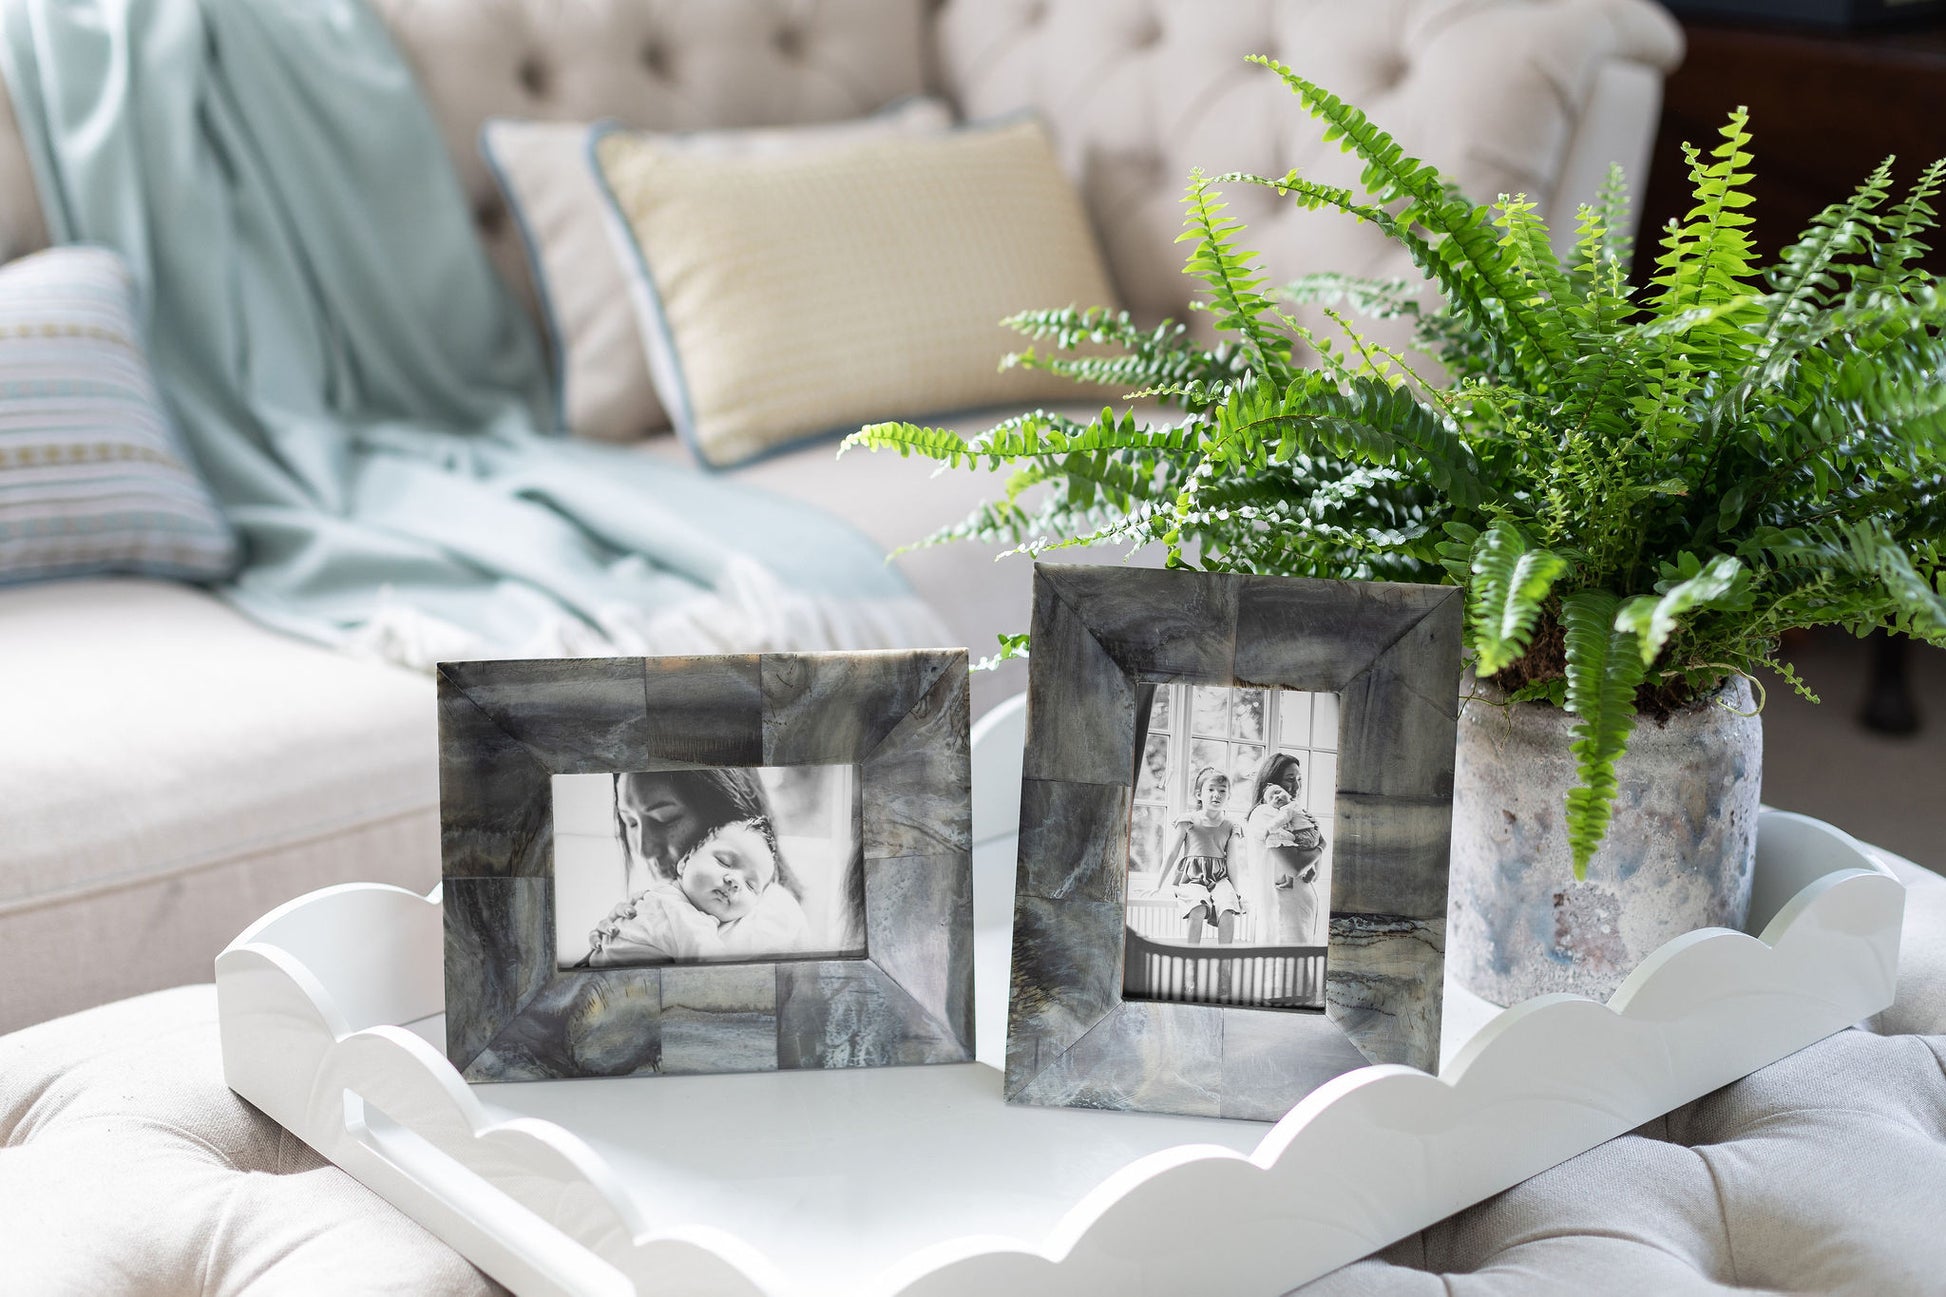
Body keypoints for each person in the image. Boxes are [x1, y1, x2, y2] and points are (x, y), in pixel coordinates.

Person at [584, 816, 810, 965]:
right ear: (684, 862)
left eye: (751, 885)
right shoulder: (682, 913)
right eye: (724, 862)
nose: (735, 882)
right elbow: (712, 966)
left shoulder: (661, 897)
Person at [1245, 752, 1327, 945]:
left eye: (1299, 779)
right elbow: (1295, 868)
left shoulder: (1294, 816)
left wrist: (1315, 840)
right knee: (1281, 972)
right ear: (1271, 783)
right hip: (1281, 911)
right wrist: (1322, 845)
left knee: (1299, 972)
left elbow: (1312, 875)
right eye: (1290, 779)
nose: (1297, 786)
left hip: (1301, 909)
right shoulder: (1266, 814)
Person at [1157, 767, 1245, 944]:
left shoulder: (1231, 825)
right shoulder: (1188, 820)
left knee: (1228, 908)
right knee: (1197, 908)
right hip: (1192, 878)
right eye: (1211, 790)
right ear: (1199, 794)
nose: (1216, 795)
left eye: (1222, 791)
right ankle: (1192, 965)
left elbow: (1232, 862)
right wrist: (1158, 884)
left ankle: (1224, 968)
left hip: (1220, 878)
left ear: (1228, 796)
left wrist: (1236, 892)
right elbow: (1172, 853)